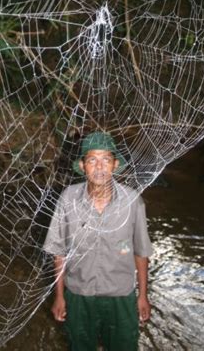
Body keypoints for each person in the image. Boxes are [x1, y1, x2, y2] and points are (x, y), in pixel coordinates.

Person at [44, 131, 153, 351]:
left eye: (106, 160)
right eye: (92, 160)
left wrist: (142, 296)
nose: (100, 167)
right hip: (79, 296)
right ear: (83, 166)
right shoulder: (68, 198)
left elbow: (141, 251)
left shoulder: (132, 201)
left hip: (120, 297)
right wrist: (60, 297)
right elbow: (59, 252)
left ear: (115, 165)